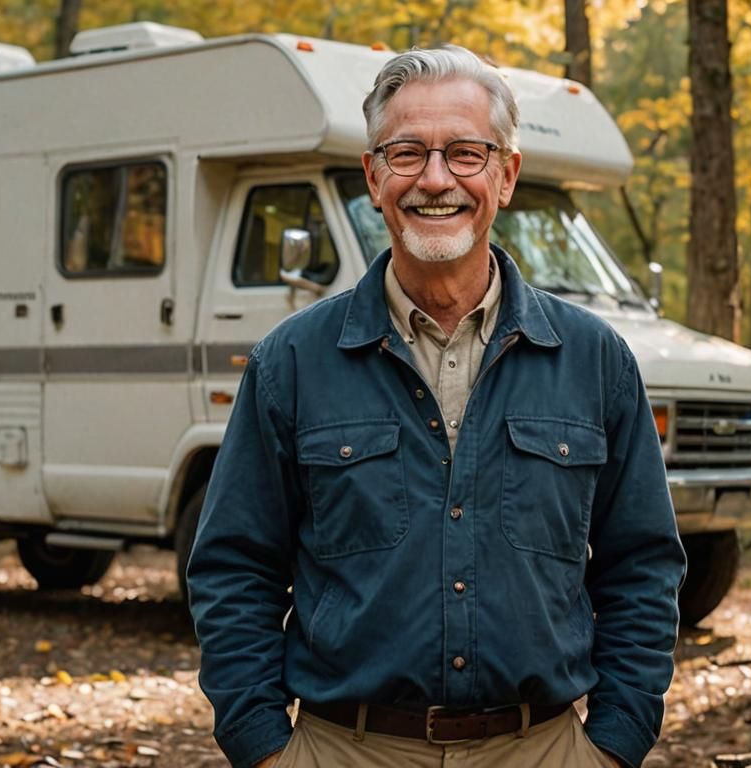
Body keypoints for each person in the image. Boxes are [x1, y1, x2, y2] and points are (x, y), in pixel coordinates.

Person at [187, 44, 685, 768]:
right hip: (343, 749)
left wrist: (616, 741)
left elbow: (642, 564)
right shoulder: (291, 363)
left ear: (506, 175)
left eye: (464, 153)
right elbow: (233, 567)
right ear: (373, 176)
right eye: (408, 153)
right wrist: (261, 744)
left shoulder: (594, 360)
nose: (435, 178)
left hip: (545, 748)